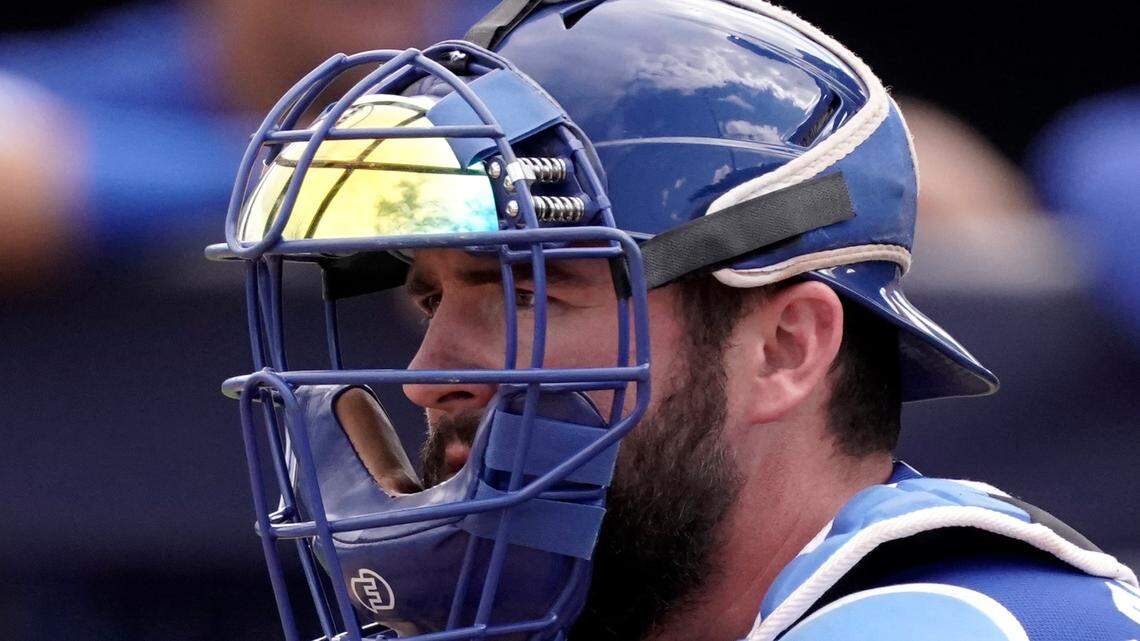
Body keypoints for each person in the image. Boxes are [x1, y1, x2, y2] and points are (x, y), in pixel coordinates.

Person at [209, 1, 1140, 640]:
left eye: (531, 295)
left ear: (784, 348)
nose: (426, 374)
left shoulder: (960, 620)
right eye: (429, 296)